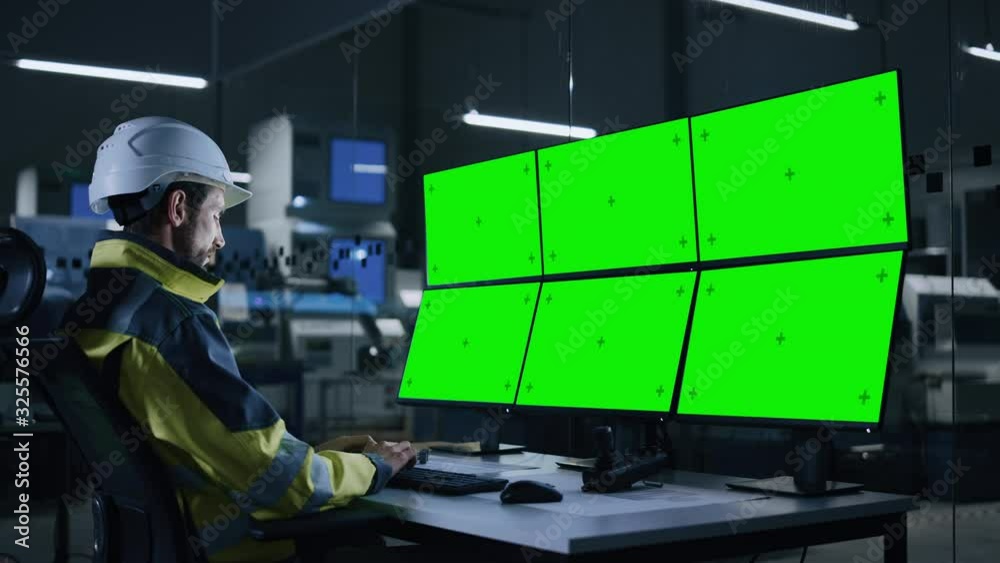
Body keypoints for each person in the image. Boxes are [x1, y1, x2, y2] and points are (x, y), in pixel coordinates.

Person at [68, 116, 416, 562]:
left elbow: (200, 452)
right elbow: (287, 484)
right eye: (215, 215)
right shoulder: (172, 324)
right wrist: (374, 467)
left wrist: (317, 455)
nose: (221, 238)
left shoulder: (94, 312)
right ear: (178, 208)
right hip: (237, 547)